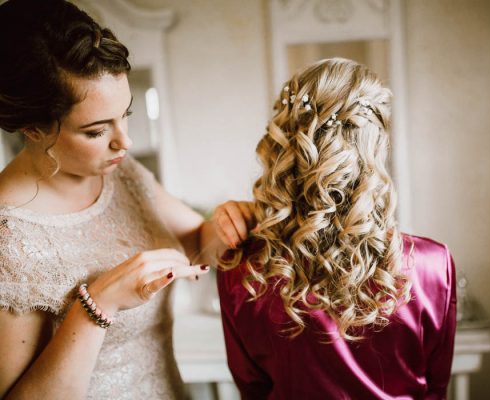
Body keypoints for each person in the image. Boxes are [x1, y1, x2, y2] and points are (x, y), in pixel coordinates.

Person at [0, 0, 253, 398]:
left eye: (126, 114)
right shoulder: (9, 237)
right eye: (97, 131)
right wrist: (98, 304)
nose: (126, 141)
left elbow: (198, 248)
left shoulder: (121, 171)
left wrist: (227, 226)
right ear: (33, 129)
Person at [217, 58, 457, 399]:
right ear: (376, 148)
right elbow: (435, 390)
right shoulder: (433, 265)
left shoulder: (244, 270)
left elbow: (252, 389)